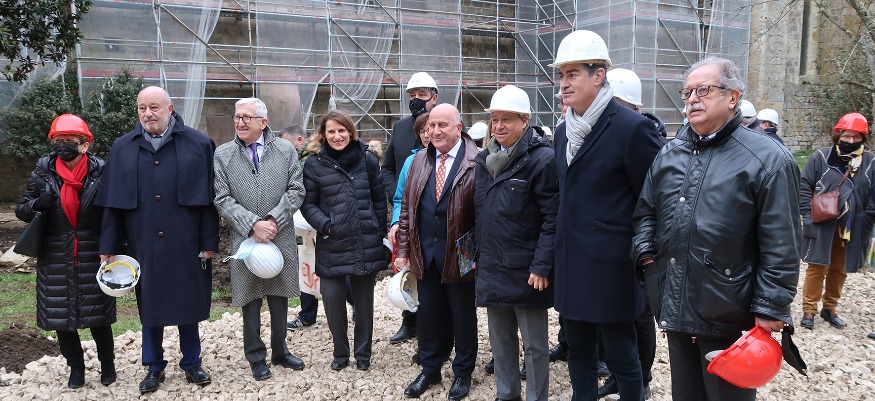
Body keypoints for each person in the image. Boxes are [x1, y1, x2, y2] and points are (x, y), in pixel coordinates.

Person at [632, 57, 801, 401]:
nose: (693, 99)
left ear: (732, 97)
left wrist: (770, 304)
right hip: (676, 304)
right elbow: (645, 214)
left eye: (704, 90)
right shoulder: (669, 154)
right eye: (687, 92)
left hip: (730, 313)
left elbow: (782, 241)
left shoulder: (767, 159)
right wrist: (649, 261)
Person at [550, 30, 662, 401]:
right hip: (572, 263)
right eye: (561, 75)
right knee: (579, 352)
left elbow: (652, 200)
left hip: (612, 267)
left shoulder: (632, 128)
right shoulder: (563, 132)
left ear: (599, 76)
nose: (564, 83)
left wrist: (644, 257)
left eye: (572, 74)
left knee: (622, 355)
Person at [97, 86, 219, 394]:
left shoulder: (199, 144)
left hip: (186, 241)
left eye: (154, 107)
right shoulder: (122, 147)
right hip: (142, 241)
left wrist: (209, 242)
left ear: (170, 109)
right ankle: (153, 366)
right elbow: (112, 205)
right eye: (142, 108)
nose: (148, 114)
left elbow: (209, 201)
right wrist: (108, 247)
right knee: (149, 303)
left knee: (188, 301)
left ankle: (192, 363)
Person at [15, 114, 115, 389]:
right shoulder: (42, 173)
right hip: (55, 252)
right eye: (58, 140)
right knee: (61, 317)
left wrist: (114, 245)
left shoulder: (101, 172)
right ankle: (76, 369)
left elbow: (113, 212)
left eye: (69, 140)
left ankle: (108, 366)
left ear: (84, 144)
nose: (63, 145)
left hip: (93, 251)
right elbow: (22, 209)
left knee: (99, 315)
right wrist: (38, 204)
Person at [474, 85, 559, 401]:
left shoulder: (542, 160)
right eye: (495, 119)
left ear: (525, 121)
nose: (498, 126)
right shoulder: (484, 160)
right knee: (500, 340)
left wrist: (541, 265)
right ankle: (506, 394)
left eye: (506, 119)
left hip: (526, 270)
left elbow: (552, 218)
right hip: (492, 265)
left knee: (535, 345)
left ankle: (537, 397)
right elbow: (480, 214)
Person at [213, 97, 306, 381]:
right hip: (246, 238)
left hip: (280, 234)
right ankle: (255, 356)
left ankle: (280, 350)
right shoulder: (223, 154)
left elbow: (297, 189)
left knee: (279, 296)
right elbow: (222, 198)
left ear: (263, 122)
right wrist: (253, 224)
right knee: (250, 297)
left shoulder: (285, 150)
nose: (239, 122)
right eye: (237, 117)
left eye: (246, 117)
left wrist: (274, 221)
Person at [395, 104, 479, 400]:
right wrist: (403, 250)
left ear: (459, 128)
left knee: (463, 315)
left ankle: (463, 372)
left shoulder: (475, 161)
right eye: (432, 125)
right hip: (425, 253)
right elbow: (407, 208)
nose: (435, 131)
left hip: (461, 254)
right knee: (428, 315)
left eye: (443, 125)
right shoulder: (419, 159)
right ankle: (430, 369)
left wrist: (478, 255)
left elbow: (483, 214)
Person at [301, 110, 387, 372]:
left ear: (350, 132)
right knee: (332, 299)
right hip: (332, 241)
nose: (337, 136)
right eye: (331, 131)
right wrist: (326, 225)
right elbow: (308, 204)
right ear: (323, 134)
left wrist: (378, 230)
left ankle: (363, 354)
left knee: (364, 303)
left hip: (364, 240)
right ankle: (340, 352)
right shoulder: (314, 164)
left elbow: (378, 198)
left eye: (341, 130)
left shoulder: (367, 159)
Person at [799, 112, 875, 330]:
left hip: (851, 225)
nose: (851, 140)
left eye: (856, 137)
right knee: (817, 266)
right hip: (822, 221)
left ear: (863, 138)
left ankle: (830, 308)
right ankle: (809, 310)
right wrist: (808, 216)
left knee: (839, 269)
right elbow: (805, 187)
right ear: (838, 135)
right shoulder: (820, 158)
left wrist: (866, 219)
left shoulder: (870, 162)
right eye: (846, 136)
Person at [382, 71, 440, 344]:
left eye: (422, 94)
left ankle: (439, 326)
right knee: (407, 269)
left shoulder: (449, 123)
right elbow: (389, 167)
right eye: (412, 94)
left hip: (437, 216)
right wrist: (398, 194)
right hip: (407, 213)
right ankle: (410, 321)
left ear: (434, 97)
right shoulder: (400, 129)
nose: (416, 98)